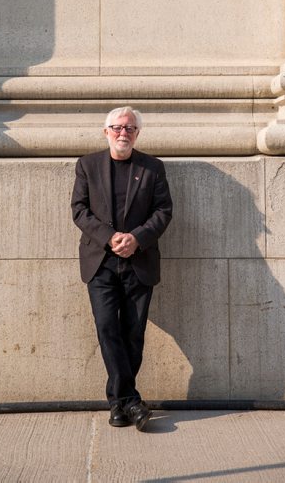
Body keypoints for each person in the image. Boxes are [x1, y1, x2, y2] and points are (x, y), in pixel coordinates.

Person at [71, 106, 173, 431]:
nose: (122, 133)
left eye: (129, 128)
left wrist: (137, 238)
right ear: (106, 132)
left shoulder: (153, 168)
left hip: (139, 262)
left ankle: (118, 404)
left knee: (133, 332)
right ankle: (130, 401)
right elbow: (79, 210)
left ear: (137, 134)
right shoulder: (87, 166)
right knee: (107, 328)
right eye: (116, 128)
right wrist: (110, 237)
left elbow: (163, 211)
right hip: (100, 261)